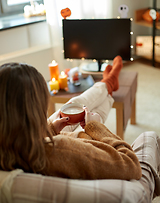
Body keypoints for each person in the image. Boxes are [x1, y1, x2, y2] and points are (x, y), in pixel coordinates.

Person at [0, 56, 159, 190]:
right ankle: (109, 83)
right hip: (68, 143)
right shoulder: (60, 149)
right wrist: (96, 127)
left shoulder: (8, 151)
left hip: (35, 137)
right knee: (90, 115)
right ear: (34, 109)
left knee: (75, 105)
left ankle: (108, 84)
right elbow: (131, 165)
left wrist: (48, 130)